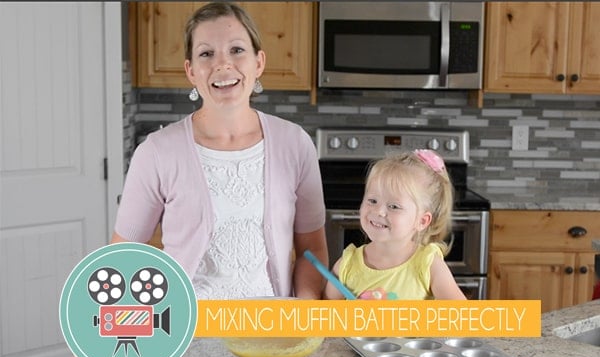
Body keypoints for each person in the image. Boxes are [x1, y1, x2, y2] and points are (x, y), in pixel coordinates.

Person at [111, 2, 328, 300]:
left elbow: (312, 251)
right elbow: (123, 256)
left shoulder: (295, 144)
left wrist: (302, 315)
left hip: (271, 334)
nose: (222, 64)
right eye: (206, 53)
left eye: (237, 50)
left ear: (259, 62)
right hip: (187, 332)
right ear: (190, 70)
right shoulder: (156, 153)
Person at [323, 150, 466, 300]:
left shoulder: (429, 266)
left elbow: (463, 319)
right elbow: (325, 320)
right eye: (372, 201)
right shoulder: (346, 266)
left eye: (394, 206)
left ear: (421, 221)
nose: (379, 211)